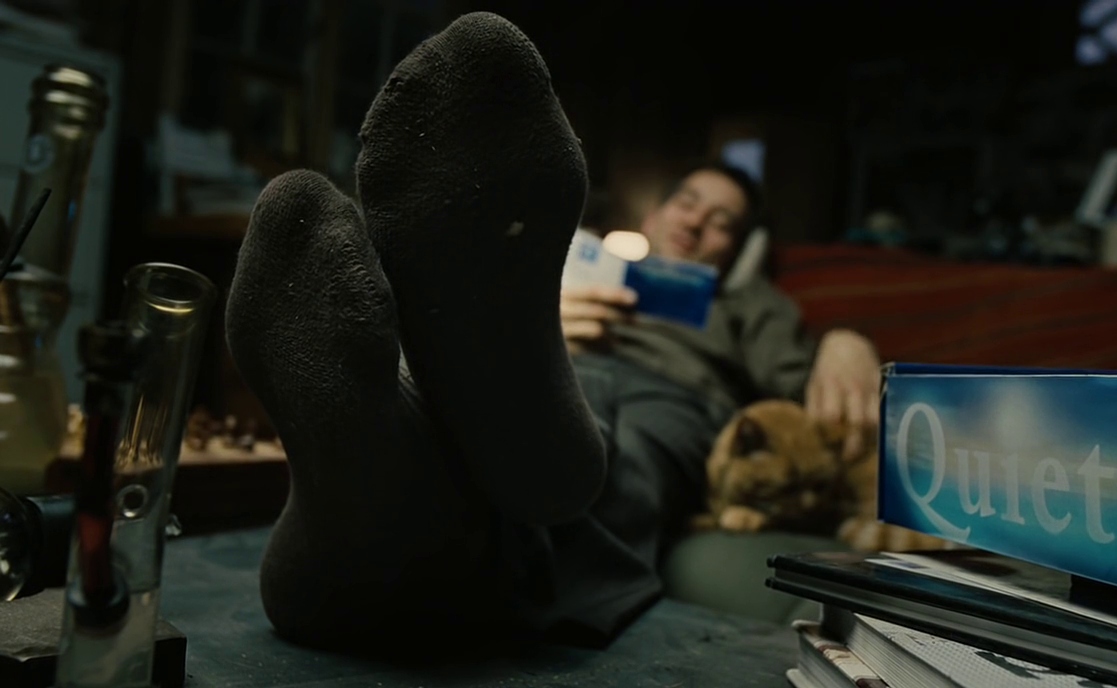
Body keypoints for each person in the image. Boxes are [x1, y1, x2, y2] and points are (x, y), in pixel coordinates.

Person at [222, 11, 880, 654]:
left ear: (737, 250)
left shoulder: (748, 303)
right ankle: (504, 375)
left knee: (619, 452)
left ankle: (337, 547)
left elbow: (800, 381)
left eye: (723, 222)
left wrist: (843, 342)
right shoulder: (573, 256)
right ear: (656, 213)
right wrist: (548, 319)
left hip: (673, 396)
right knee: (510, 406)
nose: (697, 223)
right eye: (687, 203)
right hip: (551, 360)